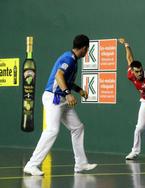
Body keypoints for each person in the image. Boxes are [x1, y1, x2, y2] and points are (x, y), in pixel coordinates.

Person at [23, 34, 97, 176]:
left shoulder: (73, 59)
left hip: (61, 99)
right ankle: (31, 165)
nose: (87, 52)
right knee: (52, 130)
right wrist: (68, 93)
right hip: (54, 98)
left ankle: (81, 163)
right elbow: (59, 76)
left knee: (77, 127)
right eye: (87, 50)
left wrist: (79, 90)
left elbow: (66, 80)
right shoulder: (68, 59)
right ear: (84, 48)